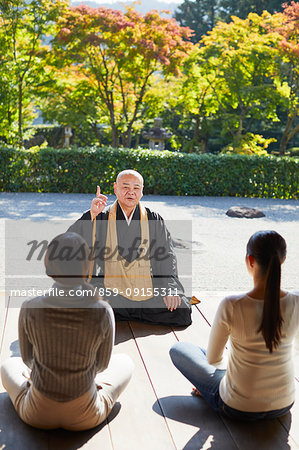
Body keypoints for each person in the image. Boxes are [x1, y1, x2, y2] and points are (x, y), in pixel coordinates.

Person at [1, 232, 134, 430]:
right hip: (86, 415)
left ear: (49, 264)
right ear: (86, 267)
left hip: (36, 414)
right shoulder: (103, 310)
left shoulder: (30, 306)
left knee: (8, 365)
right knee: (125, 362)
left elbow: (28, 360)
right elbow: (102, 365)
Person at [170, 230, 299, 421]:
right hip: (283, 403)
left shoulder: (232, 304)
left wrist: (231, 371)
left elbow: (213, 359)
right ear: (283, 260)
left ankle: (212, 389)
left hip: (237, 406)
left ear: (250, 260)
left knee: (180, 349)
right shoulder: (296, 301)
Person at [68, 169, 192, 327]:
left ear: (142, 192)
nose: (131, 192)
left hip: (147, 288)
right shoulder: (101, 216)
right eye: (125, 187)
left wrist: (170, 289)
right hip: (110, 289)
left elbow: (167, 257)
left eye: (136, 188)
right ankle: (134, 312)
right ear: (115, 188)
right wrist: (91, 215)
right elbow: (70, 242)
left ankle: (118, 313)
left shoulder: (153, 218)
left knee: (181, 310)